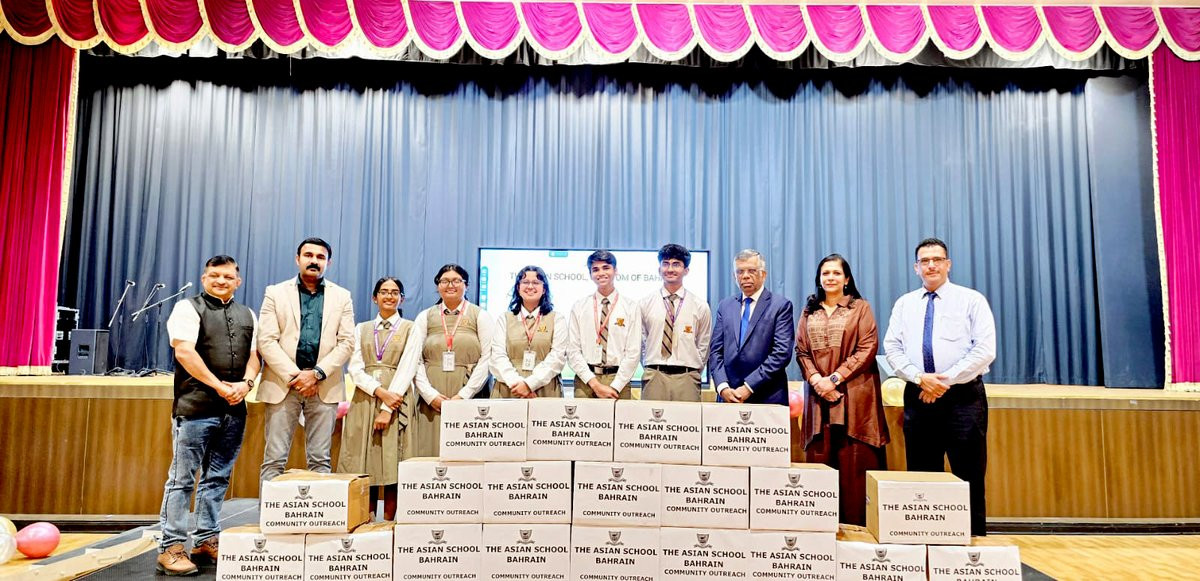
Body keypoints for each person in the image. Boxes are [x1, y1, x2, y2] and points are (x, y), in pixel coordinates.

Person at [884, 237, 996, 536]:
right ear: (916, 268)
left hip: (963, 398)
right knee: (922, 474)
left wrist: (943, 381)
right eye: (925, 261)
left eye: (937, 259)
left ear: (948, 264)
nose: (931, 265)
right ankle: (927, 540)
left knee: (969, 472)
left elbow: (985, 350)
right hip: (918, 394)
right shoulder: (905, 304)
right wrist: (920, 378)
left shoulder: (971, 300)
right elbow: (892, 347)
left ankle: (973, 545)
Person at [157, 255, 259, 576]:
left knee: (217, 479)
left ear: (238, 281)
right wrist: (220, 387)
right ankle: (171, 547)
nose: (221, 281)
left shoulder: (248, 314)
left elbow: (255, 356)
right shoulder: (187, 308)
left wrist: (246, 384)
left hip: (234, 411)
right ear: (204, 279)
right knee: (182, 480)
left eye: (228, 276)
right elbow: (184, 352)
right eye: (214, 275)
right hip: (195, 409)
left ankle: (205, 540)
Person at [795, 253, 888, 526]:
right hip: (818, 400)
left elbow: (867, 348)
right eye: (825, 273)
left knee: (855, 467)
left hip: (855, 398)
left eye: (836, 273)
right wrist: (817, 381)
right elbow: (801, 351)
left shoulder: (860, 308)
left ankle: (856, 533)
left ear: (847, 279)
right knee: (820, 467)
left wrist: (834, 379)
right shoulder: (809, 311)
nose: (830, 278)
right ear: (819, 278)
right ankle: (822, 531)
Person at [257, 237, 355, 483]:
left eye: (320, 257)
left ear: (328, 263)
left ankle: (319, 511)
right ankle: (269, 509)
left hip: (324, 385)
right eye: (308, 255)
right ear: (297, 259)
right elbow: (266, 340)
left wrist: (316, 374)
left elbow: (347, 342)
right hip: (282, 385)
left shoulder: (342, 296)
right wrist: (297, 377)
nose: (314, 261)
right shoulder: (275, 293)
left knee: (320, 459)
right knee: (274, 459)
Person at [393, 264, 495, 457]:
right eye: (445, 281)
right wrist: (430, 395)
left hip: (470, 393)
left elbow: (488, 358)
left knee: (467, 452)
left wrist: (464, 395)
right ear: (438, 285)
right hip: (432, 397)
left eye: (456, 281)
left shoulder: (480, 315)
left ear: (466, 285)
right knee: (429, 449)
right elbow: (415, 359)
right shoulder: (425, 316)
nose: (450, 285)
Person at [336, 277, 413, 521]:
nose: (389, 296)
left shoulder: (411, 328)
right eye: (384, 292)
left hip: (397, 398)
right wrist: (379, 391)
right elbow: (355, 368)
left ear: (401, 298)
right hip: (365, 398)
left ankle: (388, 524)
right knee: (363, 461)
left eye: (395, 292)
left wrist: (388, 405)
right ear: (374, 297)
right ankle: (366, 522)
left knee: (392, 461)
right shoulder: (362, 328)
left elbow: (408, 367)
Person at [708, 249, 794, 405]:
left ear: (763, 274)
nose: (745, 276)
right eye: (740, 271)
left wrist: (748, 387)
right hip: (728, 396)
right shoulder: (725, 306)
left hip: (767, 396)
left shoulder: (780, 306)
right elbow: (715, 351)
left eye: (752, 271)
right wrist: (722, 387)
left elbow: (781, 353)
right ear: (734, 276)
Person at [639, 244, 712, 401]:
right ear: (659, 269)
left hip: (687, 377)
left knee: (687, 417)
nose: (670, 269)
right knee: (650, 417)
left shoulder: (700, 306)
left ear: (686, 270)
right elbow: (641, 341)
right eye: (666, 264)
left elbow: (703, 344)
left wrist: (693, 370)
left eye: (676, 264)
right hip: (654, 375)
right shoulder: (645, 303)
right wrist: (650, 365)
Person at [566, 250, 642, 399]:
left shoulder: (631, 307)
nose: (601, 273)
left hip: (618, 381)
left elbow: (633, 353)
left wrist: (615, 386)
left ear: (616, 271)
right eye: (595, 269)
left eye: (606, 268)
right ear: (590, 274)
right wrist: (594, 384)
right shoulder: (579, 306)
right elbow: (572, 350)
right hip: (586, 380)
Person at [490, 266, 567, 398]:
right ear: (518, 288)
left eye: (536, 282)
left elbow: (557, 357)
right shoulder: (505, 318)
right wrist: (517, 384)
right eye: (525, 282)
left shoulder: (557, 319)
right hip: (509, 388)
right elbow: (497, 356)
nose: (530, 286)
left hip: (544, 388)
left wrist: (529, 385)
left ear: (544, 289)